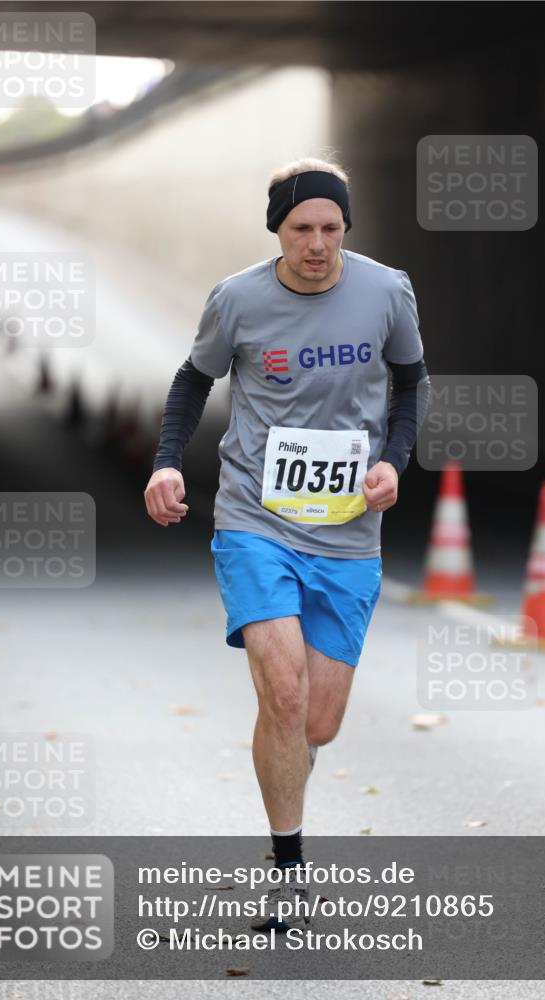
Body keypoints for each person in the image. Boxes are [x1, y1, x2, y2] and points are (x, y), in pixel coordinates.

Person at [144, 157, 431, 932]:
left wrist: (389, 462)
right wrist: (167, 464)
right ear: (277, 228)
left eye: (331, 229)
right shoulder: (238, 299)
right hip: (255, 520)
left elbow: (411, 383)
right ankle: (289, 875)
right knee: (283, 692)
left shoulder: (384, 291)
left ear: (345, 228)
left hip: (347, 532)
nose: (317, 244)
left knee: (317, 722)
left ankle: (285, 795)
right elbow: (189, 382)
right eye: (302, 229)